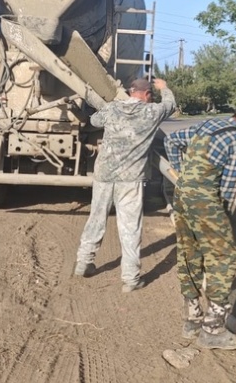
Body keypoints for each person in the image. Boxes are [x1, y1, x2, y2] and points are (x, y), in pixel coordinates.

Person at [164, 103, 236, 351]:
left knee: (189, 254)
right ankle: (213, 330)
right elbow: (228, 193)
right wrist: (225, 224)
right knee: (224, 257)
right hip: (205, 203)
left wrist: (181, 172)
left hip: (182, 197)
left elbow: (172, 141)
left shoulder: (208, 124)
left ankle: (192, 321)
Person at [75, 77, 176, 291]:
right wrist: (164, 88)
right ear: (147, 94)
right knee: (130, 227)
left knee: (96, 218)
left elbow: (93, 122)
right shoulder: (152, 112)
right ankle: (130, 280)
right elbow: (170, 105)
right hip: (131, 179)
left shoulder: (112, 109)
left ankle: (84, 262)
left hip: (104, 175)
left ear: (131, 92)